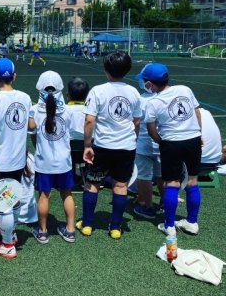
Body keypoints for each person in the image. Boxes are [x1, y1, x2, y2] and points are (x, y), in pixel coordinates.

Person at [79, 51, 141, 239]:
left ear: (106, 69)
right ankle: (115, 227)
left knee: (92, 184)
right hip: (126, 147)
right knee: (120, 186)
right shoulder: (134, 92)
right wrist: (132, 140)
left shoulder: (98, 90)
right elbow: (136, 122)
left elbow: (90, 120)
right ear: (127, 70)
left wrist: (87, 145)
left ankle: (88, 224)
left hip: (103, 146)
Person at [142, 63, 203, 237]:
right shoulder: (185, 89)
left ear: (149, 84)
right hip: (192, 139)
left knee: (172, 183)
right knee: (192, 180)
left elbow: (151, 128)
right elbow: (196, 112)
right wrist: (199, 132)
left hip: (171, 143)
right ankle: (192, 222)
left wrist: (159, 140)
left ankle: (169, 225)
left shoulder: (153, 102)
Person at [0, 58, 31, 259]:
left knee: (4, 206)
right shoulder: (26, 97)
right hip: (18, 159)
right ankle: (10, 233)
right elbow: (30, 126)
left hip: (2, 160)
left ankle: (7, 244)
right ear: (15, 77)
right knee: (12, 200)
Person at [28, 71, 75, 244]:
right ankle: (70, 230)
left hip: (44, 162)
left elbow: (32, 132)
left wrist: (38, 145)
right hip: (64, 161)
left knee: (44, 196)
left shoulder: (34, 111)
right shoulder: (68, 111)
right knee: (67, 194)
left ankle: (42, 231)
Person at [133, 67, 162, 220]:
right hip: (161, 143)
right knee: (161, 174)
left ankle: (147, 206)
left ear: (149, 84)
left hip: (143, 144)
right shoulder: (163, 98)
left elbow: (135, 122)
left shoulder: (140, 99)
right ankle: (165, 202)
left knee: (144, 176)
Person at [66, 77, 90, 186]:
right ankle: (86, 176)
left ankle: (68, 176)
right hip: (88, 151)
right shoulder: (91, 110)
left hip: (68, 151)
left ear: (68, 95)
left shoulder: (64, 110)